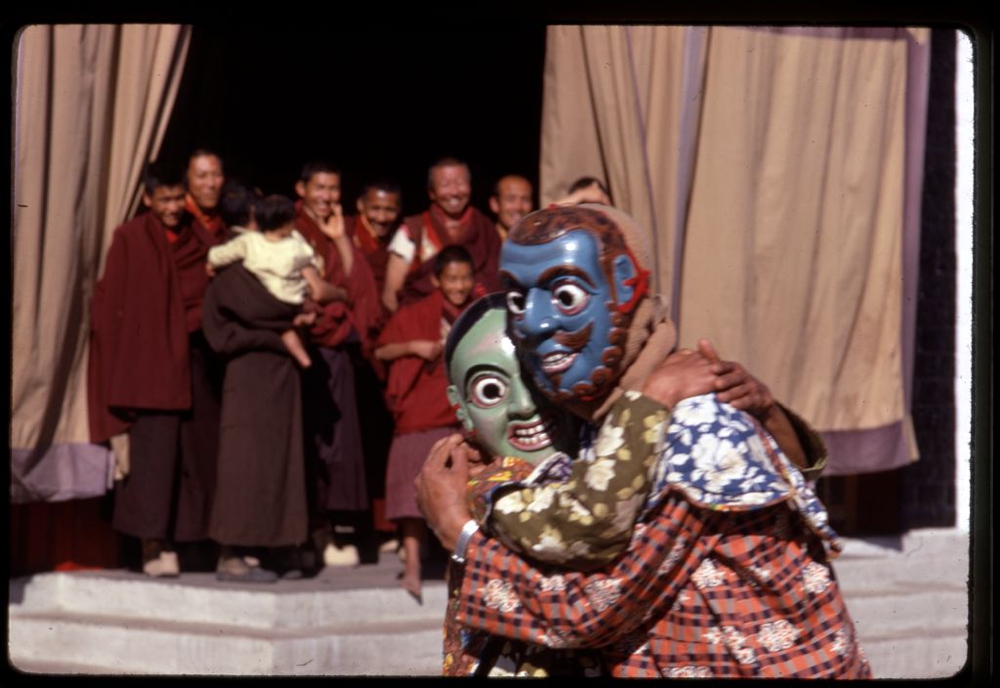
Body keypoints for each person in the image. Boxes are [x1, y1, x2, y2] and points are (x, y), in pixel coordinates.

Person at [418, 204, 870, 678]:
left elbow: (589, 609)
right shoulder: (610, 422)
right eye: (518, 300)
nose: (533, 322)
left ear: (624, 288)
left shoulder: (690, 424)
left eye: (565, 295)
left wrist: (459, 532)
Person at [88, 159, 225, 577]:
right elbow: (116, 303)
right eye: (162, 199)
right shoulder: (130, 238)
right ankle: (150, 545)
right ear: (147, 198)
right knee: (153, 457)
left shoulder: (196, 237)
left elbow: (207, 291)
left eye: (175, 198)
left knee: (195, 456)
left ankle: (190, 544)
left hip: (193, 363)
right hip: (150, 366)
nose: (170, 207)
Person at [374, 246, 477, 601]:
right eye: (452, 278)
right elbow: (381, 350)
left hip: (457, 413)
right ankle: (414, 564)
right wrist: (415, 347)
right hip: (421, 410)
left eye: (465, 278)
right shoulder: (417, 313)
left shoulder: (477, 314)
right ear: (436, 280)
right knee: (410, 480)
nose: (459, 286)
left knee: (463, 491)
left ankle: (455, 565)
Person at [294, 161, 381, 567]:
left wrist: (341, 240)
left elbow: (357, 288)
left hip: (337, 349)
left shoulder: (337, 228)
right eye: (320, 188)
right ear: (302, 190)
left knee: (336, 447)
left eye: (333, 189)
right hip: (304, 348)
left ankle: (329, 527)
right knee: (308, 444)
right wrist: (339, 296)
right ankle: (310, 530)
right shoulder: (291, 226)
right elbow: (314, 290)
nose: (327, 196)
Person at [207, 193, 338, 369]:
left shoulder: (249, 241)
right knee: (305, 309)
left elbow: (221, 254)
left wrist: (211, 262)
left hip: (270, 297)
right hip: (293, 298)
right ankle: (305, 327)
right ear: (287, 224)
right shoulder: (295, 245)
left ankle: (301, 354)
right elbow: (312, 261)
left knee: (286, 332)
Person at [382, 157, 501, 312]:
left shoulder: (485, 228)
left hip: (478, 326)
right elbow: (390, 296)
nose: (454, 192)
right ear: (432, 193)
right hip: (426, 326)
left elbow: (495, 285)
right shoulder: (413, 230)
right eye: (445, 184)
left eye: (460, 183)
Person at [185, 149, 228, 237]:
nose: (211, 184)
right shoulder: (175, 215)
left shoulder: (226, 218)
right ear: (188, 177)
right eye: (201, 176)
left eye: (217, 175)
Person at [488, 174, 533, 241]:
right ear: (495, 204)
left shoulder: (538, 244)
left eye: (525, 199)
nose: (518, 207)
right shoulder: (484, 243)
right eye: (511, 199)